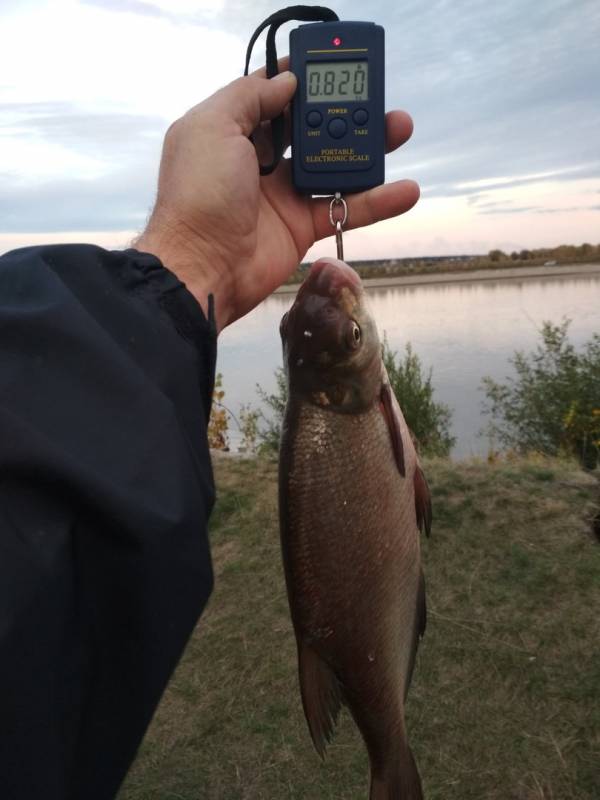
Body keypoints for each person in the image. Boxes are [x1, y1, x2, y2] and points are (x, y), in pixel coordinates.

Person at [0, 65, 418, 799]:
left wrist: (195, 249)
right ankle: (394, 762)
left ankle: (388, 753)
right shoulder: (361, 406)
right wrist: (187, 254)